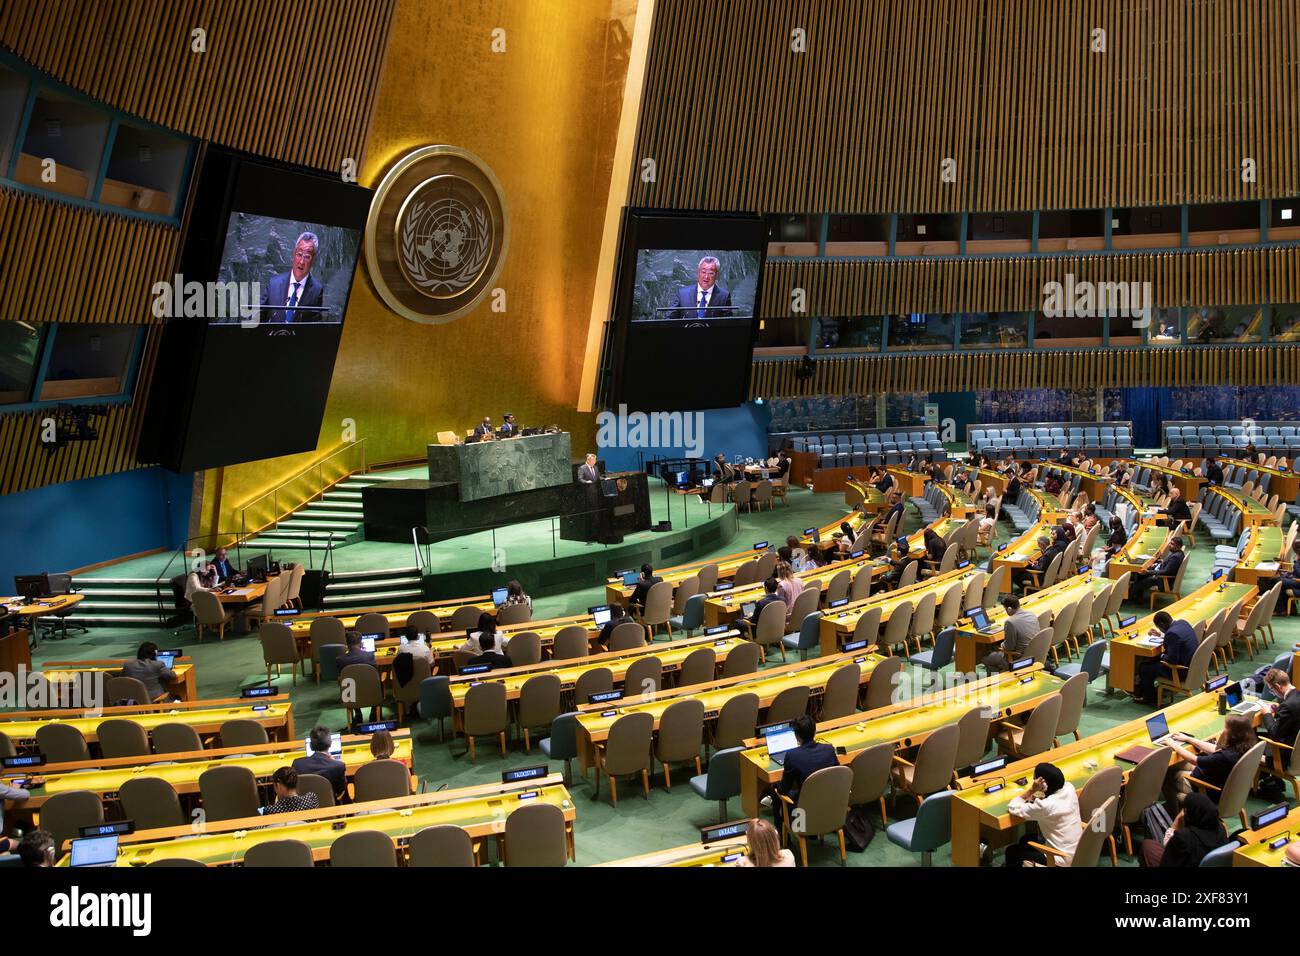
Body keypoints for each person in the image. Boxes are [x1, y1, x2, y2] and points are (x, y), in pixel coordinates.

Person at [1162, 713, 1257, 802]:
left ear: (1233, 735)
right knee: (1180, 764)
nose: (1224, 730)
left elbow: (1194, 760)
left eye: (1226, 728)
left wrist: (1173, 744)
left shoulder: (1224, 757)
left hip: (1206, 789)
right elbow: (1215, 749)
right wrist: (1189, 739)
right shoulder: (1243, 747)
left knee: (1167, 774)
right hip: (1219, 782)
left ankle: (1173, 815)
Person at [1004, 762, 1081, 867]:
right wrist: (1038, 793)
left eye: (1034, 778)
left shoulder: (1044, 806)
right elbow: (1048, 796)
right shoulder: (1069, 788)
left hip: (1060, 859)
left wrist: (1031, 790)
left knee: (1012, 851)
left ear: (1044, 784)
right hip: (1079, 852)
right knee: (1025, 840)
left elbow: (1013, 807)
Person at [773, 715, 839, 817]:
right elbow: (837, 775)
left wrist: (776, 787)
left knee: (776, 790)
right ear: (815, 731)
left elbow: (784, 790)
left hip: (804, 816)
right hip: (829, 808)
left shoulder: (792, 756)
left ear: (796, 736)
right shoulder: (829, 750)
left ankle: (781, 831)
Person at [1139, 793, 1228, 867]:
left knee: (1147, 845)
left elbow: (1166, 856)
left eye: (1185, 810)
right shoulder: (1221, 829)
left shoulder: (1184, 837)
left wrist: (1176, 822)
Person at [1133, 610, 1198, 704]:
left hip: (1180, 672)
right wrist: (1162, 635)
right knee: (1151, 662)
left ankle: (1149, 698)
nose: (1160, 630)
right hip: (1192, 666)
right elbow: (1178, 640)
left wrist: (1161, 655)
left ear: (1162, 624)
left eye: (1159, 628)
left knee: (1144, 667)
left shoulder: (1172, 634)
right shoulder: (1183, 623)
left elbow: (1172, 660)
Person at [259, 231, 324, 323]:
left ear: (313, 260)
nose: (301, 262)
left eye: (307, 256)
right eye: (299, 254)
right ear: (293, 255)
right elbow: (258, 317)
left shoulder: (317, 290)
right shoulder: (274, 284)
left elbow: (314, 327)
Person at [982, 595, 1040, 672]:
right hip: (1034, 652)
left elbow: (1008, 648)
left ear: (1009, 609)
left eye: (1005, 609)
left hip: (1017, 657)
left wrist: (1000, 645)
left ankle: (998, 680)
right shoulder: (1031, 614)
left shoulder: (1010, 622)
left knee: (985, 659)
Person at [292, 726, 347, 800]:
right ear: (330, 744)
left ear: (311, 746)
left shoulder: (297, 764)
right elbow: (341, 790)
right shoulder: (338, 766)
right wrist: (333, 761)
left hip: (306, 806)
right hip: (330, 805)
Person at [671, 255, 732, 320]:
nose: (706, 277)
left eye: (711, 273)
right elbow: (669, 319)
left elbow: (727, 322)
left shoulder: (724, 296)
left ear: (717, 275)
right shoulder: (682, 294)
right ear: (698, 272)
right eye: (703, 272)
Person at [1129, 536, 1185, 603]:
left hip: (1162, 580)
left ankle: (1129, 597)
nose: (1169, 545)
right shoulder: (1178, 553)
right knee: (1139, 576)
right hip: (1160, 574)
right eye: (1170, 543)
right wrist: (1157, 564)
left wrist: (1148, 572)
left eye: (1172, 544)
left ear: (1178, 546)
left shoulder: (1175, 557)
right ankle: (1137, 597)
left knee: (1138, 583)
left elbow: (1166, 572)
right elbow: (1167, 565)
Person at [1260, 668, 1300, 747]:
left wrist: (1267, 714)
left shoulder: (1287, 706)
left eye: (1271, 689)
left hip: (1288, 751)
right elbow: (1293, 714)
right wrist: (1278, 709)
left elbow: (1275, 735)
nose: (1273, 693)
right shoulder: (1297, 695)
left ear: (1277, 686)